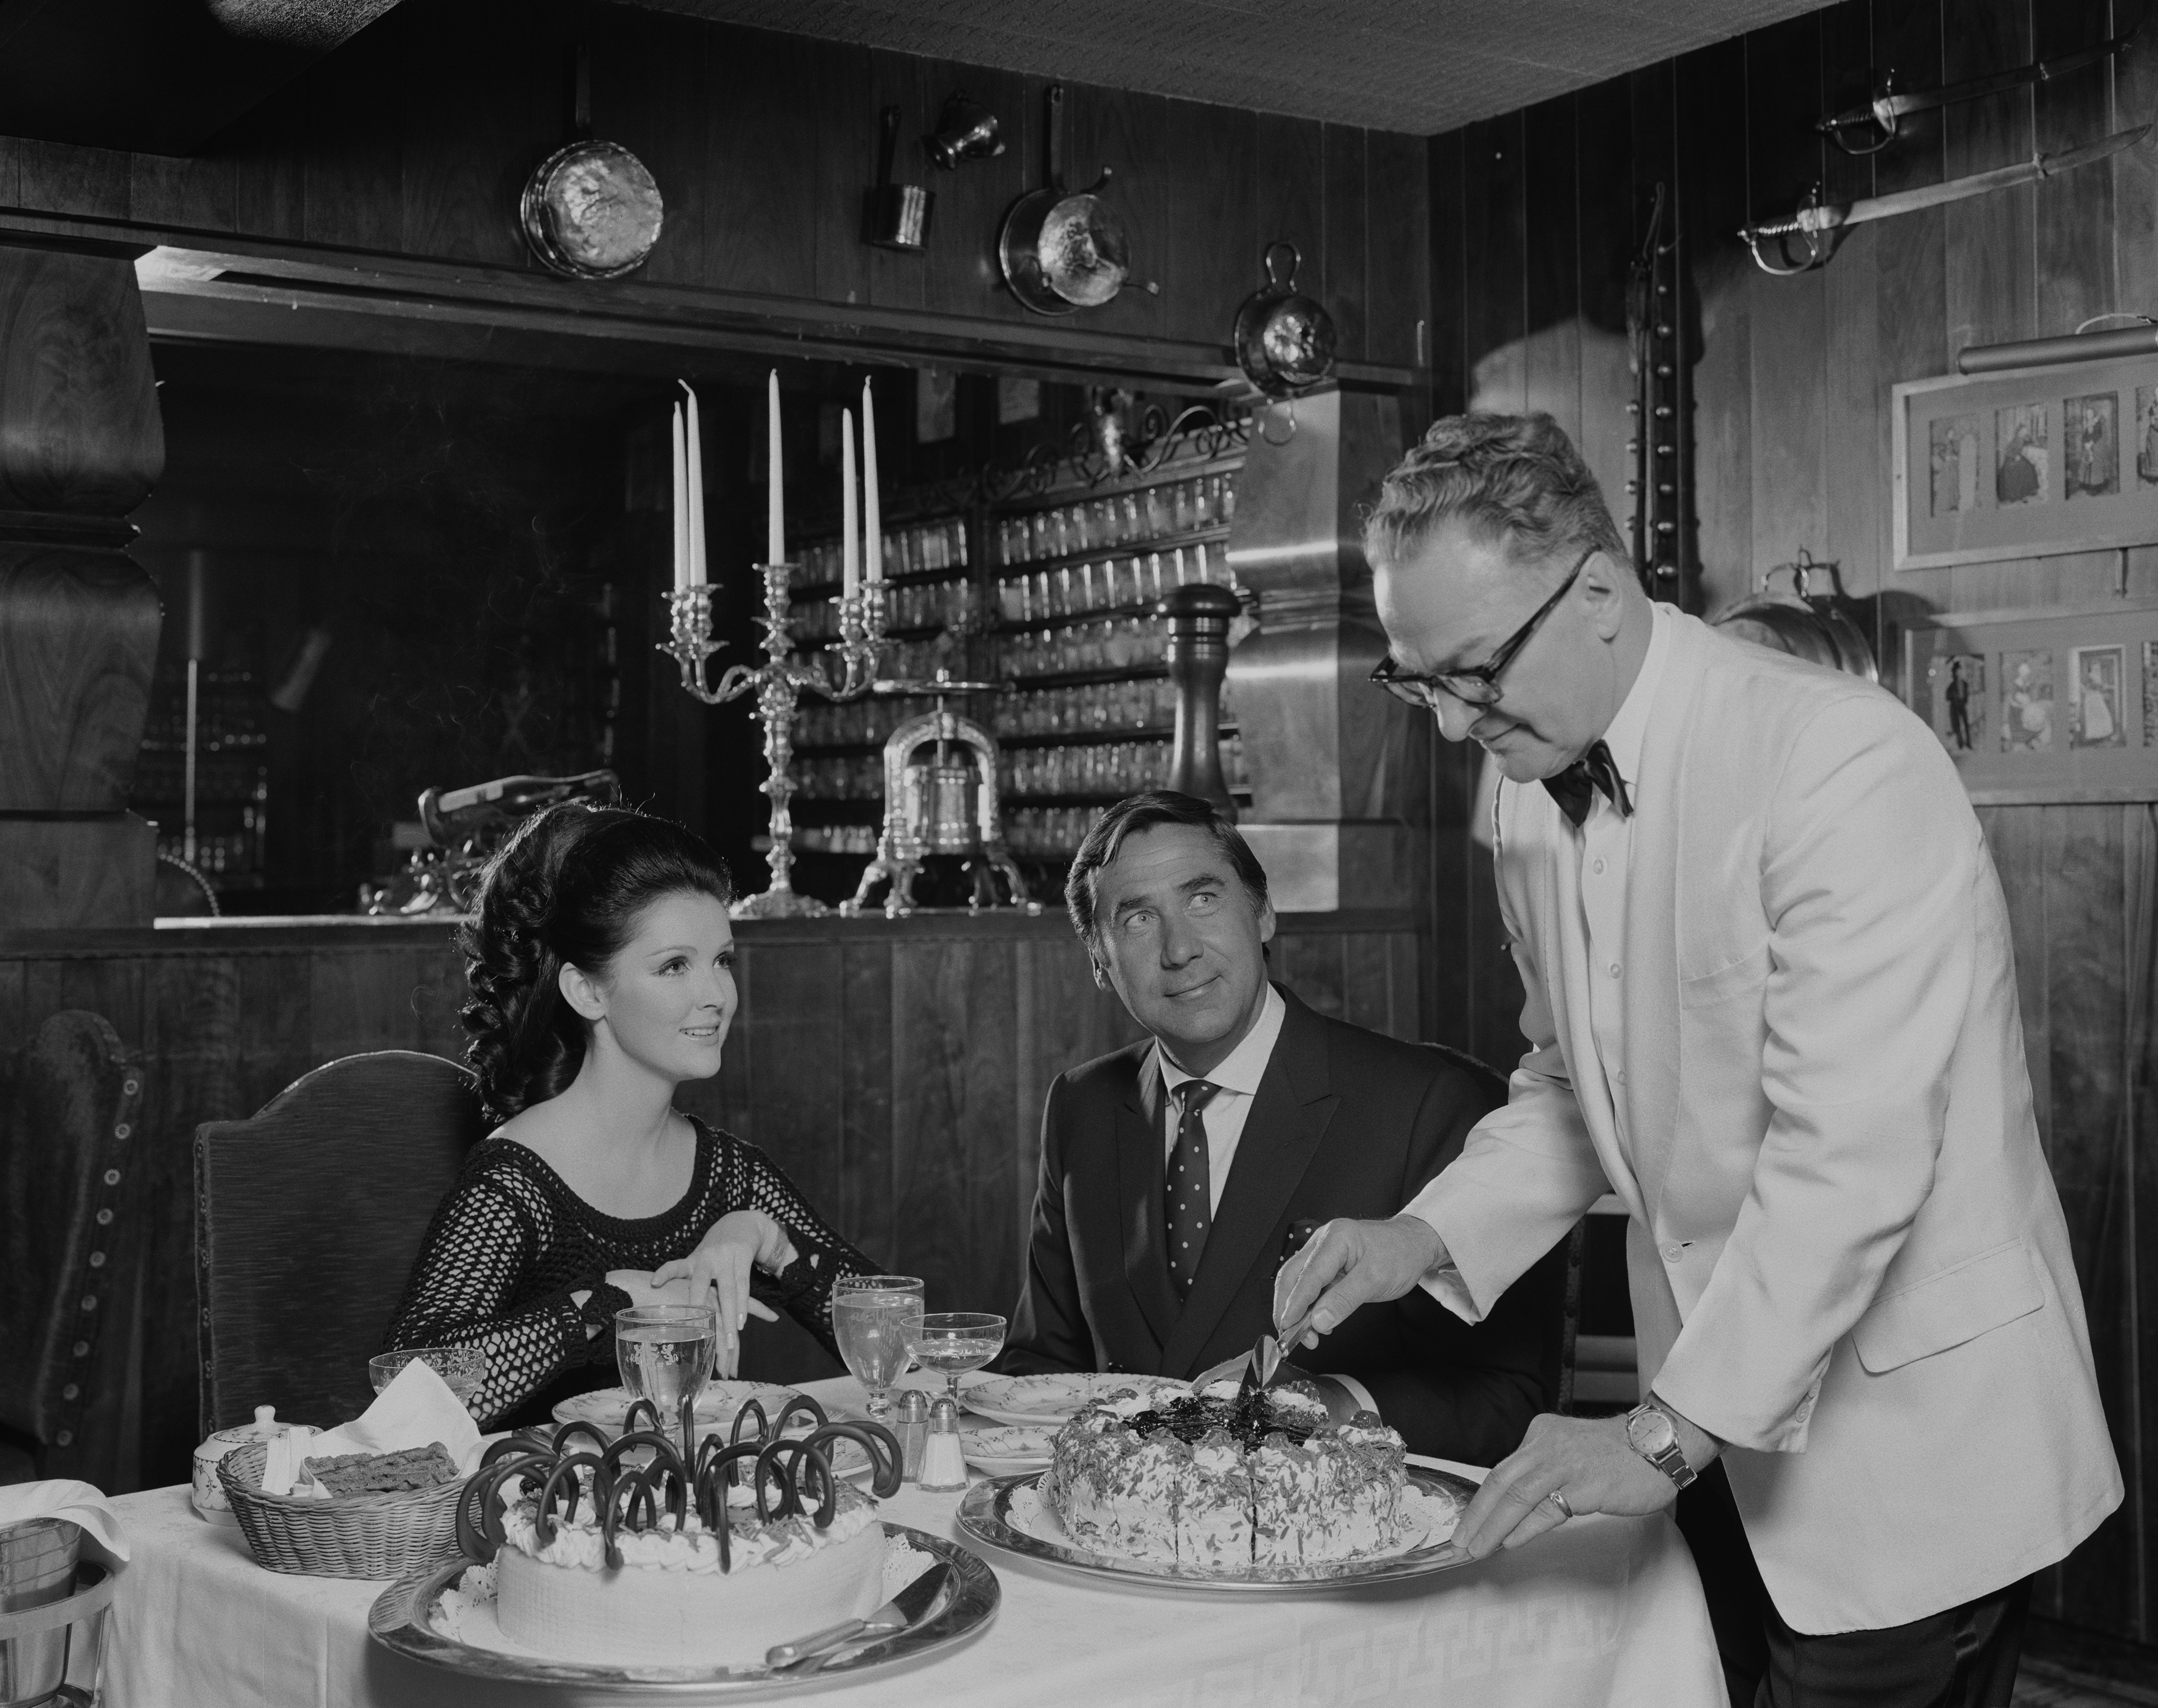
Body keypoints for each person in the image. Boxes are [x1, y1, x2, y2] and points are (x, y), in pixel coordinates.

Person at [1277, 412, 2120, 1707]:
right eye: (1415, 681)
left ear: (1599, 594)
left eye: (1472, 671)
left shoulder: (1837, 761)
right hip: (1705, 1440)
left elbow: (1850, 1158)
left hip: (1907, 1454)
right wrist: (1420, 1237)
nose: (1449, 725)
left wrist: (1663, 1434)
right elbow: (1573, 1081)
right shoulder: (1518, 786)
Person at [1001, 788, 1563, 1465]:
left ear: (1263, 912)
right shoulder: (1082, 1105)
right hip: (1122, 1536)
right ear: (1098, 960)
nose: (1179, 948)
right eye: (1138, 919)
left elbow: (1505, 1400)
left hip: (1332, 1544)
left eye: (1202, 898)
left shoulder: (1428, 1103)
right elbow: (1039, 1373)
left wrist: (1326, 1406)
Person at [385, 801, 877, 1429]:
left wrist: (770, 1242)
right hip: (536, 1514)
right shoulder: (514, 1183)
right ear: (586, 990)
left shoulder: (729, 1174)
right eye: (675, 965)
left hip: (689, 1516)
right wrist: (609, 1301)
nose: (716, 995)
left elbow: (902, 1348)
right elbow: (407, 1399)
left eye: (721, 960)